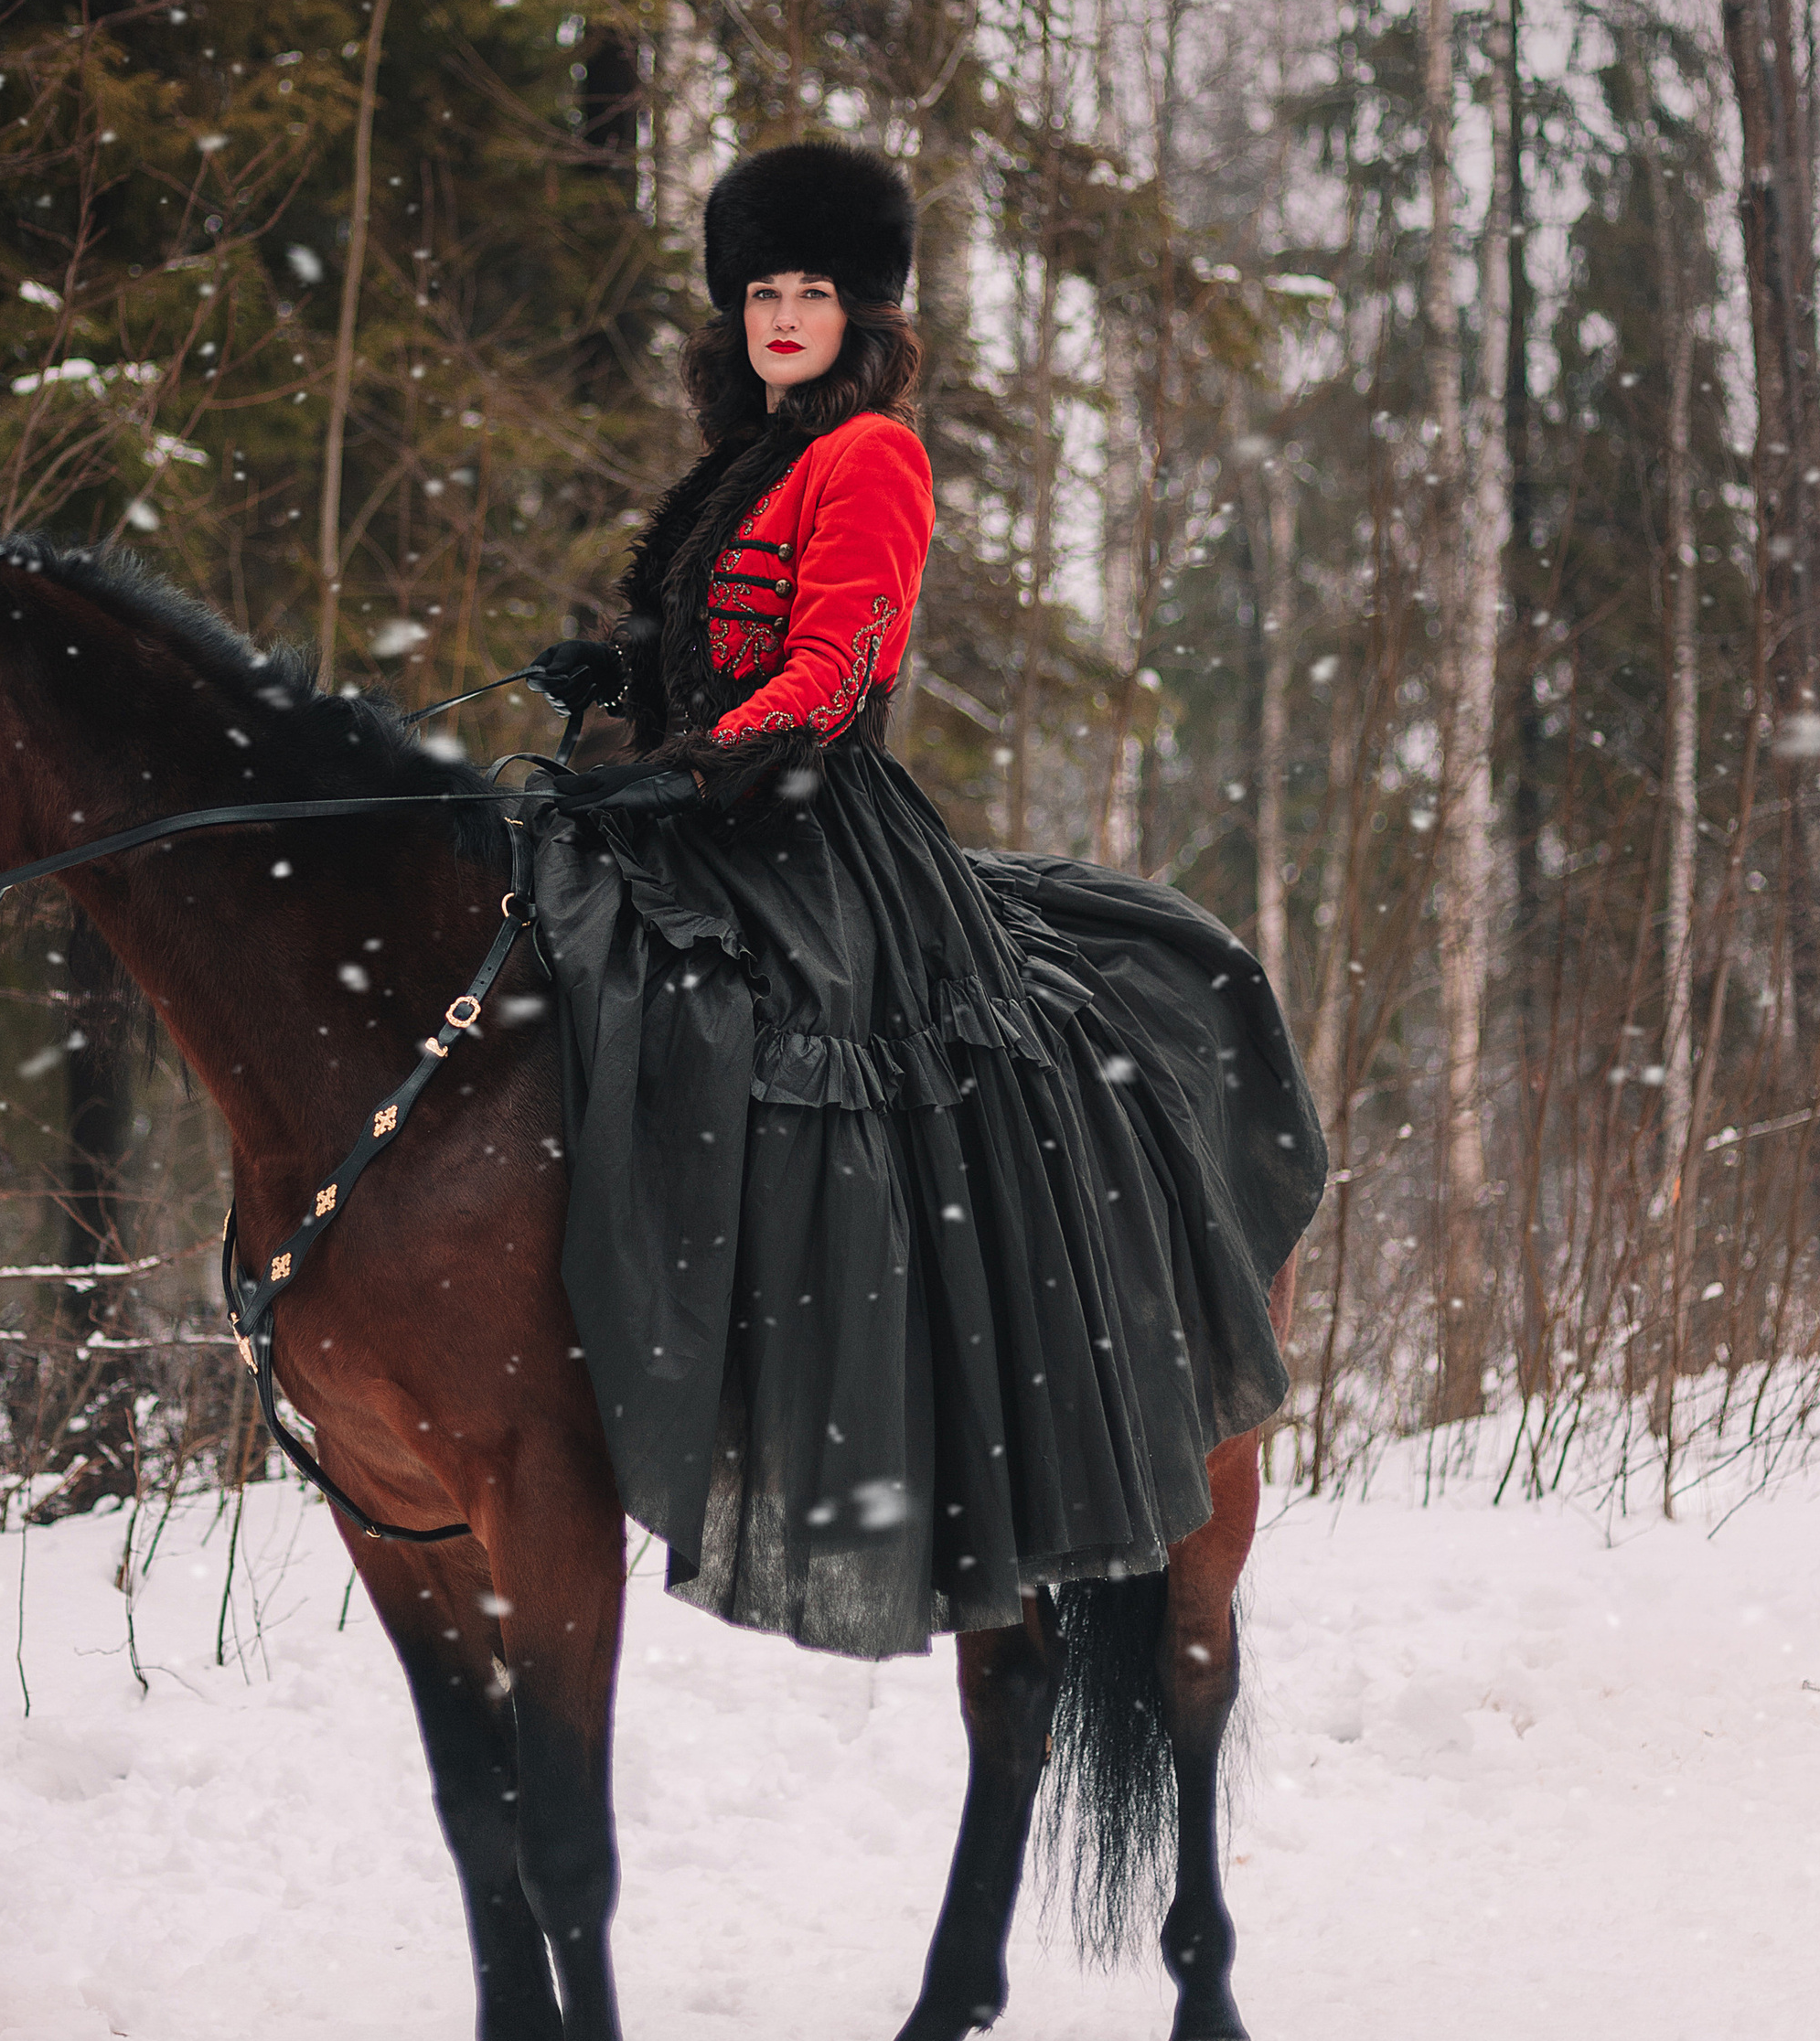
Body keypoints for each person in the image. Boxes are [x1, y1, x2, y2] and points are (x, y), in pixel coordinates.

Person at [523, 137, 1325, 1661]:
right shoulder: (749, 455)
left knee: (828, 1066)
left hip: (817, 821)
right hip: (705, 801)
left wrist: (699, 768)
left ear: (864, 311)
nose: (781, 313)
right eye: (761, 287)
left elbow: (832, 671)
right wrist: (616, 673)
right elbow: (706, 637)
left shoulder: (870, 453)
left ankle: (852, 1387)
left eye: (813, 290)